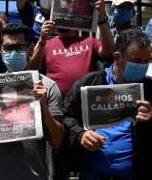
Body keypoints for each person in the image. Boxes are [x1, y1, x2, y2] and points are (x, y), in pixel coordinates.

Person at [0, 23, 64, 180]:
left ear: (30, 48)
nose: (13, 53)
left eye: (19, 47)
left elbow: (57, 141)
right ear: (1, 50)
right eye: (8, 48)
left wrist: (43, 107)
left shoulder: (47, 86)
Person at [63, 30, 152, 180]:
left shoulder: (150, 89)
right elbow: (65, 117)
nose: (143, 66)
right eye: (136, 61)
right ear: (117, 58)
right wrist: (80, 135)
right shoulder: (89, 83)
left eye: (147, 61)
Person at [29, 0, 115, 98]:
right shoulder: (46, 44)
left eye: (68, 15)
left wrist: (101, 21)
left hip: (84, 100)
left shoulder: (89, 41)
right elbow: (33, 69)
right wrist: (42, 40)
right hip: (56, 103)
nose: (63, 19)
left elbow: (108, 51)